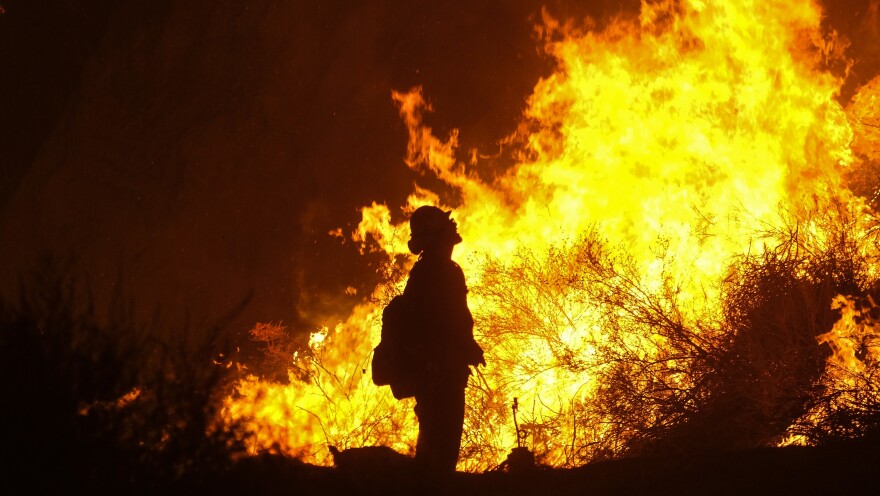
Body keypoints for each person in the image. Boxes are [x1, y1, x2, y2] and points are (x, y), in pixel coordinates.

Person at [403, 205, 485, 473]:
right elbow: (437, 324)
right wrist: (460, 348)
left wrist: (469, 346)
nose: (454, 228)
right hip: (436, 373)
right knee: (437, 450)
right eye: (447, 226)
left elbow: (456, 319)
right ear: (435, 236)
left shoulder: (447, 270)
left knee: (442, 448)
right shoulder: (431, 273)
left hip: (445, 372)